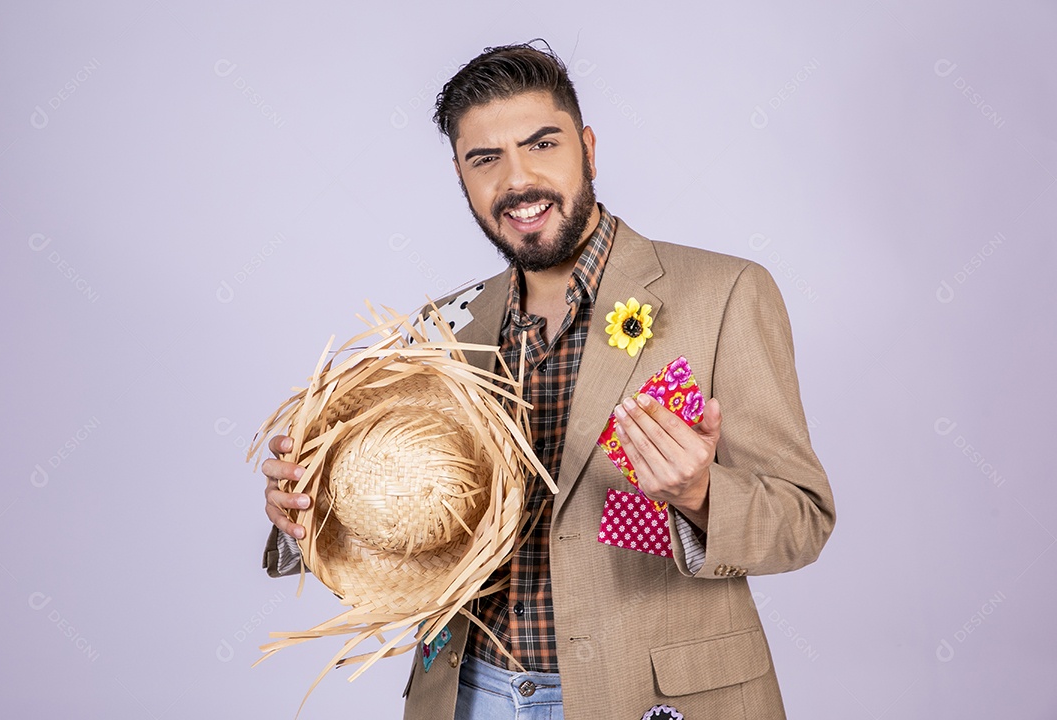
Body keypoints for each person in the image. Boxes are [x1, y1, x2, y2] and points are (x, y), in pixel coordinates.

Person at [260, 42, 835, 720]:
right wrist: (314, 507)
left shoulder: (724, 293)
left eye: (541, 144)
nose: (519, 179)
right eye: (486, 158)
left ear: (588, 148)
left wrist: (700, 495)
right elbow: (400, 530)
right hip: (465, 695)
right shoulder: (443, 328)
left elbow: (802, 522)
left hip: (646, 696)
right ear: (460, 175)